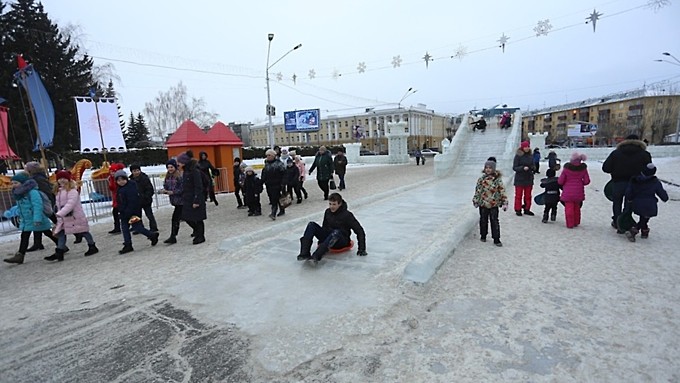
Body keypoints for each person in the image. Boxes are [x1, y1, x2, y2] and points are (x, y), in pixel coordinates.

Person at [4, 172, 58, 264]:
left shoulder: (32, 192)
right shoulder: (19, 193)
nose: (14, 185)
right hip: (27, 219)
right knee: (26, 235)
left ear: (23, 183)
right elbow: (21, 207)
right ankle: (20, 255)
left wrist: (37, 218)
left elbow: (37, 205)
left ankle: (60, 245)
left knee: (46, 232)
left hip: (36, 217)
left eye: (16, 183)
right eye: (12, 183)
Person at [296, 192, 367, 263]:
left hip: (341, 241)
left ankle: (317, 255)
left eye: (334, 204)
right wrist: (323, 239)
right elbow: (324, 227)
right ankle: (304, 253)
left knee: (336, 232)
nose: (331, 207)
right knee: (311, 225)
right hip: (329, 238)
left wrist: (362, 249)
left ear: (340, 204)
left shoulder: (347, 215)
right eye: (330, 204)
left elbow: (359, 230)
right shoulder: (327, 212)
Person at [602, 134, 652, 233]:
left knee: (617, 202)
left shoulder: (616, 153)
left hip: (618, 182)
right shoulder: (644, 154)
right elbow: (649, 170)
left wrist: (615, 171)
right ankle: (626, 222)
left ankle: (617, 222)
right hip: (636, 184)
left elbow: (606, 168)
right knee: (629, 204)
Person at [46, 170, 98, 261]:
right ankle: (59, 251)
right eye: (60, 178)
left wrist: (60, 213)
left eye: (64, 178)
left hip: (74, 216)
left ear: (68, 179)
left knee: (83, 231)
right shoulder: (58, 191)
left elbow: (71, 204)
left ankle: (92, 246)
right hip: (64, 217)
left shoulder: (72, 191)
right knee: (61, 233)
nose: (62, 180)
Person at [114, 170, 159, 254]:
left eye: (122, 180)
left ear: (126, 179)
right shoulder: (120, 189)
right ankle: (128, 244)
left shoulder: (131, 188)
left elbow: (133, 201)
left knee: (137, 227)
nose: (121, 182)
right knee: (125, 229)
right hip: (124, 213)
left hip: (133, 212)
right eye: (118, 180)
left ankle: (152, 235)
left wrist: (128, 211)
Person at [623, 163, 668, 241]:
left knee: (643, 216)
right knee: (645, 217)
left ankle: (644, 231)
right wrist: (665, 197)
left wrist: (629, 199)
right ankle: (635, 230)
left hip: (637, 203)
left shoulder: (634, 180)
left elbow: (629, 192)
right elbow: (663, 195)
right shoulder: (655, 182)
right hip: (650, 204)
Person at [472, 159, 508, 247]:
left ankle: (496, 238)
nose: (488, 169)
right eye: (486, 168)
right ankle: (483, 235)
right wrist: (476, 199)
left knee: (494, 221)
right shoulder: (481, 179)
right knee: (483, 220)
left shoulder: (497, 180)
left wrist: (504, 202)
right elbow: (478, 190)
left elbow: (502, 191)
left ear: (494, 169)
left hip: (493, 204)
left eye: (490, 168)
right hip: (483, 203)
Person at [23, 161, 58, 251]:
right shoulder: (34, 177)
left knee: (52, 220)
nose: (25, 170)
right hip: (40, 202)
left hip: (43, 202)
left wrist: (49, 201)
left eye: (26, 168)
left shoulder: (38, 178)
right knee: (40, 222)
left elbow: (46, 190)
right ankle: (37, 243)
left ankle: (76, 233)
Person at [176, 152, 207, 244]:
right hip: (188, 198)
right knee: (186, 217)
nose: (178, 164)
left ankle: (200, 236)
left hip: (195, 198)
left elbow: (198, 186)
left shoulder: (194, 171)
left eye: (180, 162)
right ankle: (197, 232)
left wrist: (197, 200)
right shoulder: (186, 171)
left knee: (198, 218)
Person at [558, 152, 591, 229]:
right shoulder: (583, 169)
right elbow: (587, 181)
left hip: (567, 191)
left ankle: (570, 223)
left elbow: (560, 181)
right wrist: (580, 183)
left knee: (569, 208)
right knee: (577, 207)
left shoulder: (566, 169)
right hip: (579, 191)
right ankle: (576, 222)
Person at [160, 159, 184, 244]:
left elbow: (182, 189)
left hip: (181, 201)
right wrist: (164, 190)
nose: (170, 169)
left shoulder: (180, 176)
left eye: (171, 167)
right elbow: (166, 185)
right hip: (175, 201)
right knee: (185, 218)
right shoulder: (168, 176)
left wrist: (173, 192)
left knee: (175, 219)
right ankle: (196, 230)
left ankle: (173, 236)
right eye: (168, 167)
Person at [129, 163, 159, 233]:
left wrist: (146, 196)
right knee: (137, 216)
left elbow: (150, 189)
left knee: (149, 214)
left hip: (146, 200)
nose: (136, 172)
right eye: (134, 171)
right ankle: (139, 228)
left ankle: (153, 227)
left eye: (137, 170)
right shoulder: (131, 180)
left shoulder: (144, 178)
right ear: (132, 172)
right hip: (136, 201)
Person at [261, 148, 287, 220]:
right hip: (269, 184)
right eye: (267, 155)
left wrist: (283, 183)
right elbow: (264, 175)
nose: (268, 157)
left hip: (277, 184)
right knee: (276, 198)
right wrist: (261, 182)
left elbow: (284, 174)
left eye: (269, 155)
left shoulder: (279, 164)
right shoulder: (266, 165)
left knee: (274, 199)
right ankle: (282, 210)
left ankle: (273, 213)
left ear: (273, 156)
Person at [512, 141, 535, 216]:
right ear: (522, 147)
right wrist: (522, 168)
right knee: (518, 195)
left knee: (528, 195)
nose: (527, 148)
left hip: (528, 178)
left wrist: (532, 168)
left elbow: (533, 166)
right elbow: (514, 167)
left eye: (528, 146)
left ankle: (527, 209)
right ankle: (518, 209)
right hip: (520, 179)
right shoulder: (518, 156)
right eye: (525, 147)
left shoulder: (531, 156)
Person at [107, 162, 126, 234]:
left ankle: (120, 226)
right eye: (111, 172)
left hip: (120, 199)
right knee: (115, 212)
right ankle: (117, 227)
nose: (112, 173)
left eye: (113, 171)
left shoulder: (119, 179)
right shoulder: (111, 179)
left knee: (119, 212)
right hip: (116, 199)